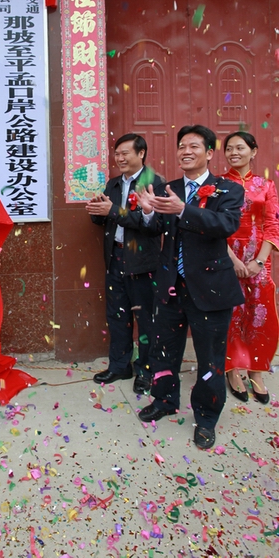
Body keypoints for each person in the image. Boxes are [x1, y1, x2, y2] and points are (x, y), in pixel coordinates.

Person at [136, 125, 244, 450]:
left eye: (193, 146)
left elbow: (226, 225)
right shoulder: (167, 188)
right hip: (171, 287)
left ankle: (207, 418)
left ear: (209, 153)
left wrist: (184, 209)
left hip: (211, 290)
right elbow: (157, 227)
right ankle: (165, 400)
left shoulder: (227, 190)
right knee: (164, 350)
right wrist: (147, 212)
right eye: (182, 146)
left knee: (210, 358)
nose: (185, 151)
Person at [86, 133, 163, 393]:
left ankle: (146, 370)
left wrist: (113, 211)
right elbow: (106, 219)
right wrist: (98, 210)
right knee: (117, 315)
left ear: (141, 154)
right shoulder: (114, 183)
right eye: (116, 154)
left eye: (125, 153)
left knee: (146, 319)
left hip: (143, 262)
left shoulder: (154, 183)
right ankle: (120, 366)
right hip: (115, 258)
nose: (119, 158)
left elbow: (153, 225)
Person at [223, 131, 279, 404]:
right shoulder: (218, 184)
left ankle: (257, 370)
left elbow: (273, 224)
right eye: (229, 148)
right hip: (225, 259)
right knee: (231, 315)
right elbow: (213, 227)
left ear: (253, 151)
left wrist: (258, 262)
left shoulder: (266, 185)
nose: (234, 153)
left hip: (259, 262)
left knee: (260, 316)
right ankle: (233, 369)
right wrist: (232, 260)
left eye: (240, 147)